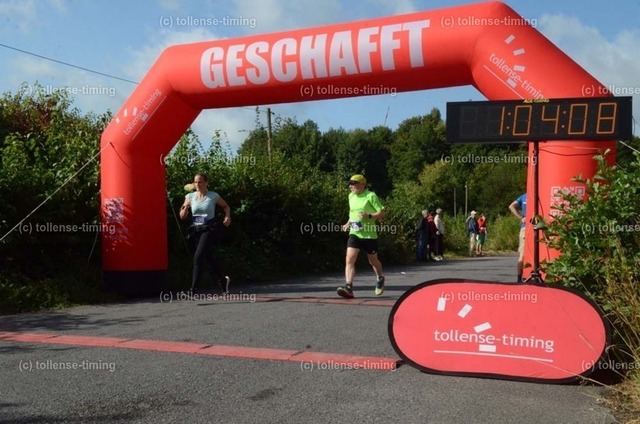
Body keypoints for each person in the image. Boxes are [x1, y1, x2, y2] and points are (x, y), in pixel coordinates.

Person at [180, 172, 232, 294]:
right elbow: (183, 214)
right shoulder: (190, 196)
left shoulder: (213, 196)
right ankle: (222, 280)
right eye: (195, 182)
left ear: (206, 183)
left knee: (198, 257)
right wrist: (184, 210)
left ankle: (193, 289)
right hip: (196, 230)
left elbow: (226, 206)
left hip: (209, 229)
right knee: (208, 257)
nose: (197, 184)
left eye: (200, 182)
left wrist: (227, 216)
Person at [337, 174, 386, 299]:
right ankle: (348, 287)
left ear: (362, 184)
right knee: (349, 259)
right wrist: (347, 224)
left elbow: (382, 213)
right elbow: (352, 213)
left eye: (353, 184)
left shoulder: (371, 196)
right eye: (350, 184)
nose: (350, 186)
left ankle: (380, 278)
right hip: (355, 232)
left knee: (373, 261)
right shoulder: (351, 196)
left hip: (369, 234)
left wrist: (369, 216)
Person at [509, 193, 527, 283]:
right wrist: (521, 218)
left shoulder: (524, 196)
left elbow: (511, 206)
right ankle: (520, 278)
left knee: (522, 254)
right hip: (530, 227)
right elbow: (511, 206)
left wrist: (521, 218)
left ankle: (520, 279)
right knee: (523, 255)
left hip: (526, 227)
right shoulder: (525, 196)